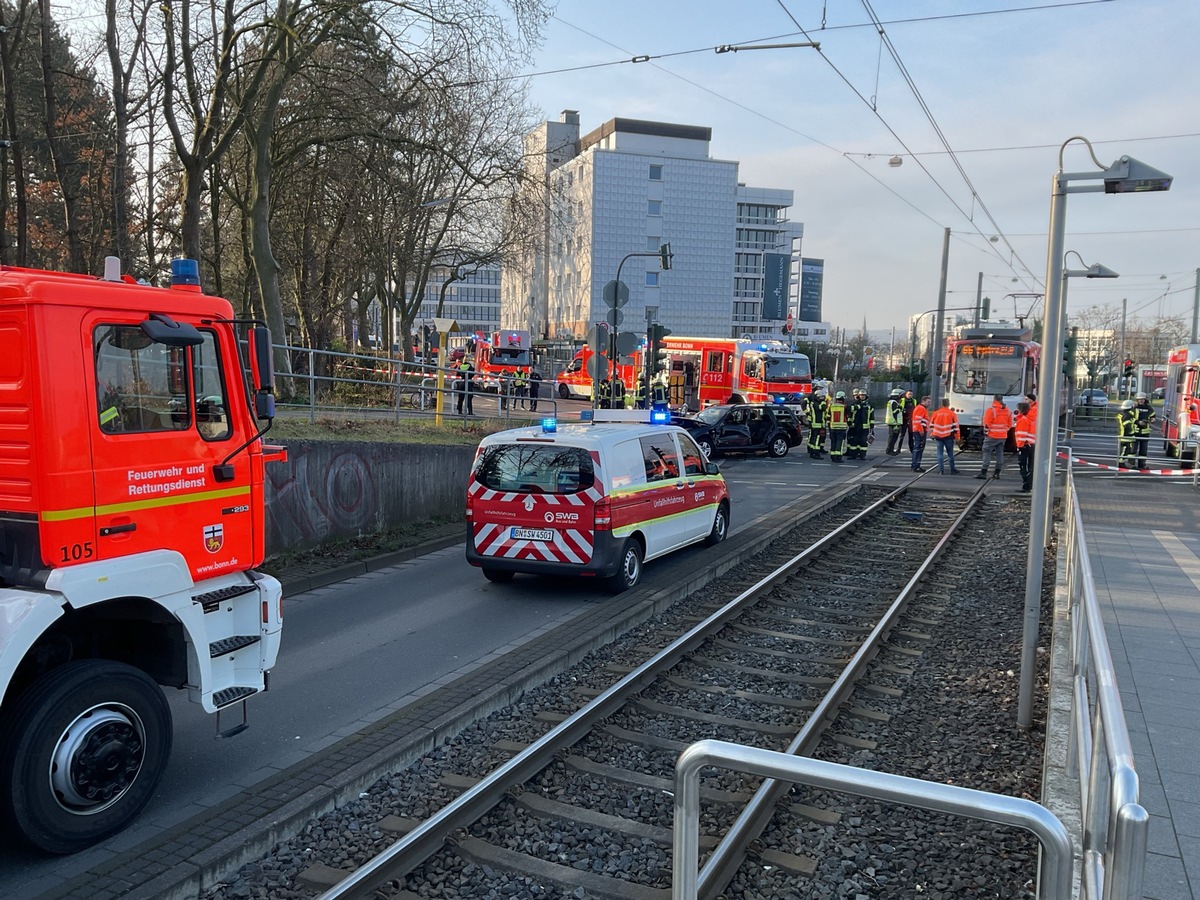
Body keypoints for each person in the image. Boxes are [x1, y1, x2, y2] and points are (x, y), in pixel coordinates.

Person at [976, 393, 1013, 479]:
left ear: (994, 399)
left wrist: (986, 433)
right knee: (1000, 453)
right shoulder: (1007, 410)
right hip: (1003, 436)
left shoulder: (991, 410)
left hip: (992, 435)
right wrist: (1004, 431)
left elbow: (987, 424)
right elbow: (1009, 424)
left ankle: (984, 472)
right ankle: (997, 473)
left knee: (987, 452)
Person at [928, 398, 960, 474]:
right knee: (950, 454)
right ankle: (952, 469)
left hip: (938, 436)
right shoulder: (952, 414)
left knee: (940, 453)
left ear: (941, 404)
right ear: (948, 404)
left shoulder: (936, 413)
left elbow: (931, 425)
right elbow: (956, 426)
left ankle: (941, 470)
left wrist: (932, 433)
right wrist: (957, 436)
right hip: (948, 436)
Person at [846, 388, 873, 459]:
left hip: (865, 427)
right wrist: (849, 422)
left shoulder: (869, 405)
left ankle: (862, 455)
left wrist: (872, 426)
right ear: (859, 396)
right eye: (861, 395)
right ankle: (853, 455)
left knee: (863, 442)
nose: (862, 397)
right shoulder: (854, 403)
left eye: (864, 395)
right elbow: (850, 411)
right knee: (854, 441)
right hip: (855, 426)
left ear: (866, 396)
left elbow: (871, 416)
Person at [1015, 400, 1035, 491]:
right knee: (1030, 466)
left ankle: (1026, 485)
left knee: (1024, 466)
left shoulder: (1023, 420)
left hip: (1026, 446)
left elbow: (1022, 434)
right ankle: (1029, 484)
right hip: (1031, 445)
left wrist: (1020, 446)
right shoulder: (1031, 419)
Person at [1131, 391, 1155, 468]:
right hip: (1135, 431)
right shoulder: (1133, 407)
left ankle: (1142, 464)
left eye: (1143, 399)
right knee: (1133, 450)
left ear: (1145, 399)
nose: (1141, 400)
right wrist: (1138, 422)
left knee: (1143, 450)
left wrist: (1153, 419)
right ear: (1137, 400)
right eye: (1140, 399)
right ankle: (1131, 464)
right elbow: (1129, 418)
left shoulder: (1148, 407)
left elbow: (1152, 415)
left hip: (1145, 432)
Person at [826, 390, 850, 463]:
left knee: (833, 442)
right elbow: (849, 417)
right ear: (843, 398)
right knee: (840, 443)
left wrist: (829, 426)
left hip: (832, 427)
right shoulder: (845, 407)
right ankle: (838, 457)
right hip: (841, 428)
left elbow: (828, 417)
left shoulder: (831, 406)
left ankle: (833, 457)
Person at [910, 394, 930, 472]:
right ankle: (915, 466)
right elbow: (918, 420)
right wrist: (921, 430)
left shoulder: (921, 408)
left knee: (919, 448)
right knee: (918, 448)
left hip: (918, 430)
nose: (929, 403)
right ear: (923, 401)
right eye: (928, 402)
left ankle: (916, 465)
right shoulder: (921, 408)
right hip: (919, 431)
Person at [806, 390, 827, 458]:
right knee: (816, 439)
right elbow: (822, 408)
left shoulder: (814, 402)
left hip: (817, 423)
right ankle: (816, 453)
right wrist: (823, 402)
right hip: (816, 424)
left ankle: (812, 452)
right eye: (822, 397)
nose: (823, 398)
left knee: (814, 438)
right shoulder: (816, 403)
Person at [1116, 398, 1136, 467]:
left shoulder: (1121, 414)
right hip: (1126, 436)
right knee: (1126, 450)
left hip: (1121, 434)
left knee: (1122, 450)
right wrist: (1133, 432)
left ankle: (1121, 462)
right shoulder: (1127, 415)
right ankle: (1121, 463)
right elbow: (1127, 426)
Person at [885, 388, 904, 455]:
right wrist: (900, 408)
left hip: (894, 422)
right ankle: (889, 450)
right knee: (892, 437)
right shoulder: (893, 402)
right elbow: (895, 412)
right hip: (893, 423)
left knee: (894, 437)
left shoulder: (893, 402)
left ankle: (890, 450)